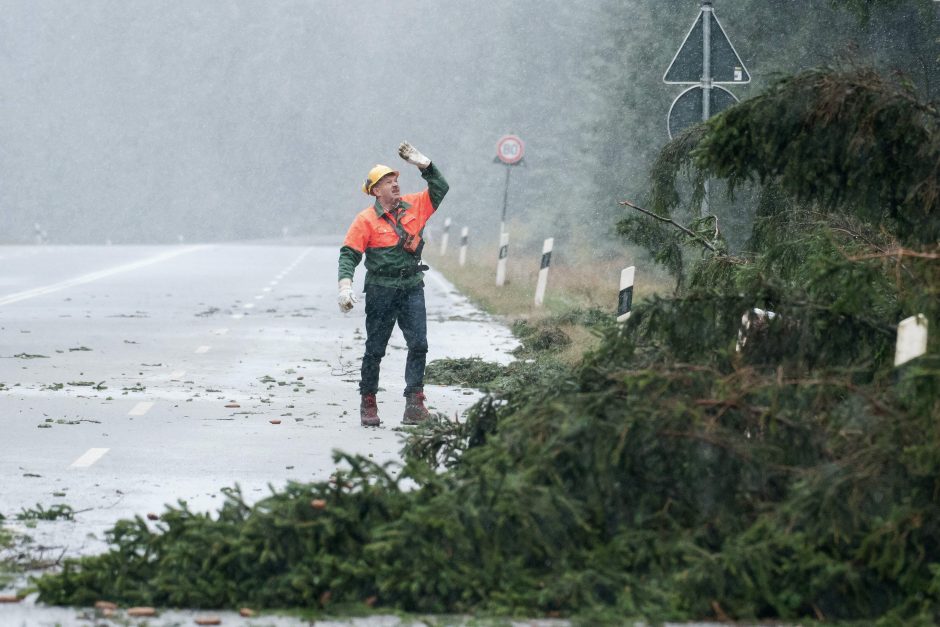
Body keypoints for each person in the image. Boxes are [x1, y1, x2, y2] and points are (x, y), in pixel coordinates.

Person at [337, 142, 449, 427]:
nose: (395, 184)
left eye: (396, 179)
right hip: (380, 290)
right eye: (388, 182)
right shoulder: (365, 220)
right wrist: (345, 286)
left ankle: (414, 403)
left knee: (419, 344)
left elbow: (440, 189)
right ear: (376, 191)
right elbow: (349, 254)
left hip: (412, 286)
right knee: (376, 348)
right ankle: (368, 402)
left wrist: (424, 164)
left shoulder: (416, 206)